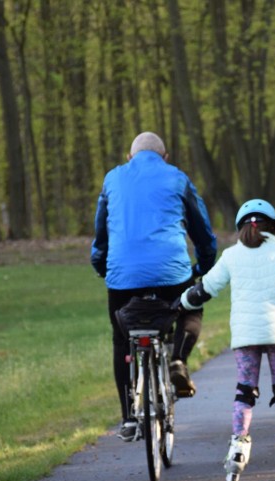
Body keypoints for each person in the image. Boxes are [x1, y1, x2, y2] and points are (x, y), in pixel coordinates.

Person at [178, 199, 275, 481]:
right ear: (273, 226)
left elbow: (205, 288)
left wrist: (180, 303)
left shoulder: (232, 256)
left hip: (245, 337)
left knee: (245, 391)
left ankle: (236, 452)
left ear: (241, 226)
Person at [91, 131, 217, 442]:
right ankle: (177, 360)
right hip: (172, 274)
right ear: (165, 157)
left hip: (123, 277)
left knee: (122, 340)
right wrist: (204, 265)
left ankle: (128, 418)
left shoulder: (112, 179)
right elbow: (201, 230)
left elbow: (101, 231)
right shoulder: (177, 177)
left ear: (128, 157)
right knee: (191, 308)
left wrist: (100, 264)